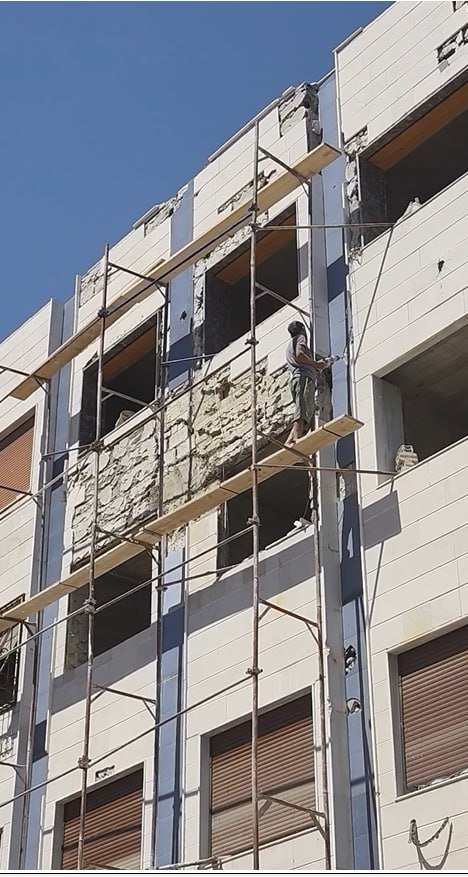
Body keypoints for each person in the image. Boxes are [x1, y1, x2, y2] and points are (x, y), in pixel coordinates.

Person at [285, 320, 328, 444]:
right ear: (302, 329)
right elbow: (299, 355)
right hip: (303, 379)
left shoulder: (289, 345)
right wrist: (316, 364)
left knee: (305, 408)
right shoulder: (300, 338)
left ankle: (289, 440)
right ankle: (297, 438)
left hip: (296, 380)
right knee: (303, 409)